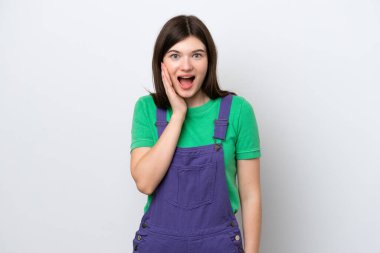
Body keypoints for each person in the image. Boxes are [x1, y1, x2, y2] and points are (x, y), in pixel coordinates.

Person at [130, 15, 262, 253]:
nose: (186, 65)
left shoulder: (238, 111)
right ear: (161, 63)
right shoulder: (147, 109)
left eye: (197, 55)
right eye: (175, 55)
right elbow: (145, 182)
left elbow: (250, 195)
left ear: (209, 60)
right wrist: (178, 115)